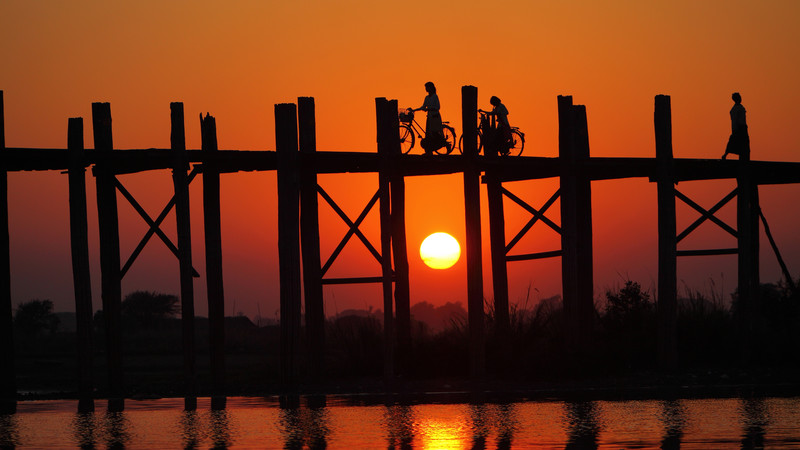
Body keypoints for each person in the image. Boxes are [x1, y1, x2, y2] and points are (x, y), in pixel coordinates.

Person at [414, 81, 447, 153]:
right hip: (429, 118)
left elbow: (438, 107)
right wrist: (415, 110)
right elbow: (423, 106)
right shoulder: (426, 97)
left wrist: (429, 109)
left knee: (434, 133)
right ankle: (429, 151)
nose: (426, 89)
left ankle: (444, 144)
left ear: (431, 88)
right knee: (428, 134)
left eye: (427, 87)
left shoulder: (435, 96)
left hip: (435, 117)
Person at [722, 92, 750, 159]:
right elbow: (735, 120)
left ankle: (743, 159)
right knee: (736, 143)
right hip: (739, 129)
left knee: (743, 147)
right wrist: (736, 129)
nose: (740, 99)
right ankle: (725, 155)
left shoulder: (740, 108)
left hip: (742, 128)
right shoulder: (735, 109)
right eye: (739, 97)